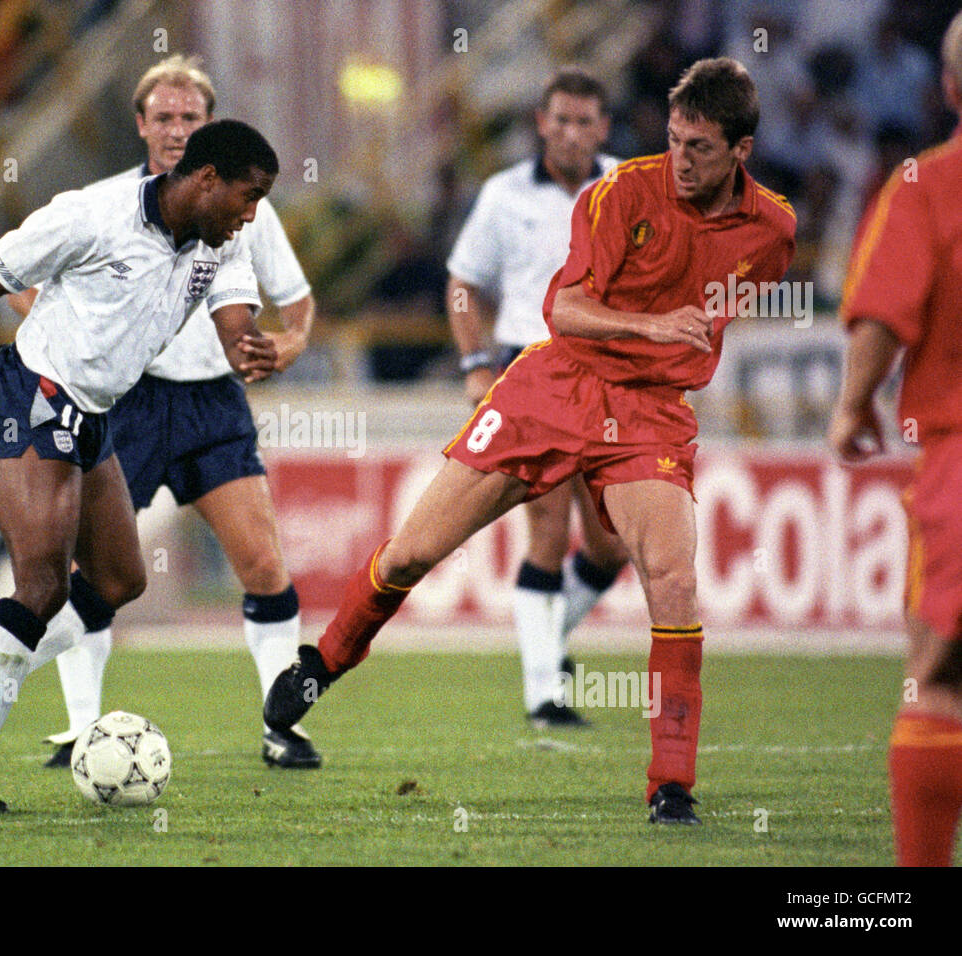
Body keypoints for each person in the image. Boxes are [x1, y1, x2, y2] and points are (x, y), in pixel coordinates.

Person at [264, 58, 796, 825]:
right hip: (556, 385)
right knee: (413, 552)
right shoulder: (618, 194)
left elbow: (729, 298)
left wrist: (673, 352)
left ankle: (671, 784)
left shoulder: (774, 230)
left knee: (673, 584)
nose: (681, 160)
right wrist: (654, 326)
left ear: (741, 152)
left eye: (700, 148)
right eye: (675, 140)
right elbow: (566, 312)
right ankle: (325, 661)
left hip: (647, 411)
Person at [0, 55, 321, 770]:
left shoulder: (221, 238)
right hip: (33, 397)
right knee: (42, 585)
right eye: (248, 197)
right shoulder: (93, 212)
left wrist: (255, 350)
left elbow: (235, 323)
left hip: (116, 410)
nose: (253, 214)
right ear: (204, 175)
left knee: (118, 581)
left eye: (188, 115)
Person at [447, 67, 627, 728]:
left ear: (603, 128)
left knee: (613, 544)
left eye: (585, 121)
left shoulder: (627, 189)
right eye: (561, 119)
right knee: (547, 529)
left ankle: (548, 645)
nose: (572, 132)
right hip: (532, 365)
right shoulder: (503, 195)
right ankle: (543, 695)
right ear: (541, 124)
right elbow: (463, 282)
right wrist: (474, 366)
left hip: (608, 372)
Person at [829, 11, 962, 867]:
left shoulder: (928, 185)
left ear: (948, 89)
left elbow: (883, 306)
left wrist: (853, 406)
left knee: (940, 674)